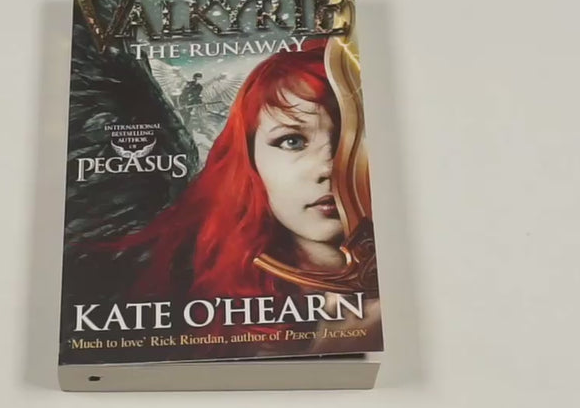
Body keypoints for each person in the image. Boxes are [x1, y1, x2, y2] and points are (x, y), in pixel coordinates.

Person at [105, 40, 378, 353]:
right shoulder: (197, 294)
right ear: (250, 161)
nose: (329, 167)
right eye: (292, 141)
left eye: (351, 136)